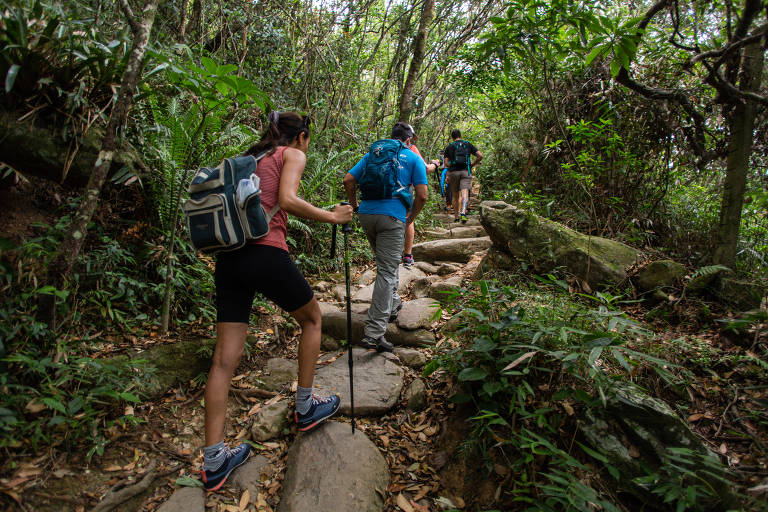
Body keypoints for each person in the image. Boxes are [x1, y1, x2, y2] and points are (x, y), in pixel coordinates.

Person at [201, 112, 353, 492]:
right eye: (308, 140)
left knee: (223, 359)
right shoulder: (291, 154)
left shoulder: (252, 160)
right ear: (301, 136)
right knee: (313, 319)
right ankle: (305, 406)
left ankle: (214, 460)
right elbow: (286, 199)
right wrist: (333, 217)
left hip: (229, 258)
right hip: (265, 252)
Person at [343, 122, 428, 351]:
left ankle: (392, 305)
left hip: (367, 215)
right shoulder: (412, 158)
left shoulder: (374, 153)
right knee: (388, 272)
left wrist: (355, 206)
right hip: (392, 217)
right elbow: (422, 195)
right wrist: (409, 218)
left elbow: (349, 180)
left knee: (385, 266)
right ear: (409, 140)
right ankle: (374, 333)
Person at [402, 126, 439, 267]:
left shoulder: (383, 149)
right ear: (408, 138)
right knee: (408, 220)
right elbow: (425, 169)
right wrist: (435, 164)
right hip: (405, 188)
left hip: (383, 191)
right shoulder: (411, 149)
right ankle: (407, 255)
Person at [444, 129, 482, 224]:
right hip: (466, 172)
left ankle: (456, 217)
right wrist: (472, 164)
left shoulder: (449, 147)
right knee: (465, 193)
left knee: (455, 195)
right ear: (460, 136)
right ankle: (463, 212)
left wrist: (452, 165)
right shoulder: (468, 144)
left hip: (453, 173)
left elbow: (446, 163)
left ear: (452, 138)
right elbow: (480, 156)